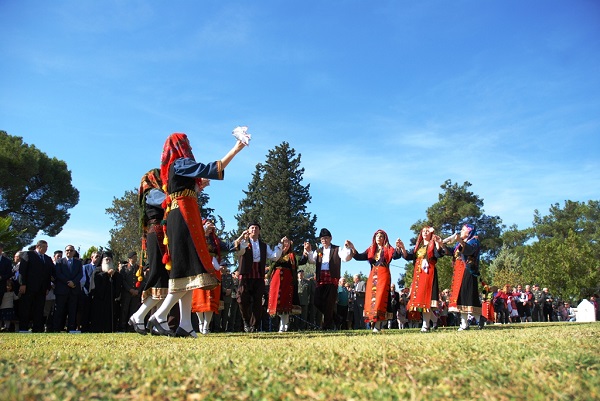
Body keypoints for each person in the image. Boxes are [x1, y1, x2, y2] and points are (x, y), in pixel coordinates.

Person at [147, 133, 245, 338]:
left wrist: (197, 186)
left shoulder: (173, 170)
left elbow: (184, 190)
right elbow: (210, 169)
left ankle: (186, 325)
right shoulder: (180, 163)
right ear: (180, 146)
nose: (190, 147)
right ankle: (160, 315)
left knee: (190, 272)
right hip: (183, 218)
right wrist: (236, 149)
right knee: (186, 270)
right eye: (187, 143)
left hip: (181, 216)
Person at [128, 169, 168, 335]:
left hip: (160, 234)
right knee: (160, 277)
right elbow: (170, 202)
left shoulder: (155, 192)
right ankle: (140, 316)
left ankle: (159, 319)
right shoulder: (153, 193)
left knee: (165, 278)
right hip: (157, 234)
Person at [347, 229, 403, 333]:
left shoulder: (388, 248)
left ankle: (378, 324)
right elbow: (359, 257)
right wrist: (352, 247)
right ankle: (374, 324)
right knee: (371, 299)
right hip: (373, 275)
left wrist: (398, 247)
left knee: (380, 298)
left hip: (383, 274)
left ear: (384, 238)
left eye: (381, 236)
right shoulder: (371, 249)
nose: (379, 238)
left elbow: (396, 255)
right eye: (377, 236)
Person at [233, 223, 283, 333]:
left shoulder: (264, 245)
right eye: (252, 228)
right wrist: (243, 239)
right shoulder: (244, 243)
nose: (254, 229)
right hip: (246, 274)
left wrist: (280, 246)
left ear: (259, 231)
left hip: (258, 275)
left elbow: (274, 256)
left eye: (256, 228)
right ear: (248, 230)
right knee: (241, 299)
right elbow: (239, 251)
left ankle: (254, 326)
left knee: (257, 302)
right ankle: (246, 321)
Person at [300, 228, 352, 330]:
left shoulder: (337, 249)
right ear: (321, 240)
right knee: (317, 301)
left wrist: (347, 248)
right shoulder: (318, 251)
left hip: (332, 278)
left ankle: (326, 326)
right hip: (321, 279)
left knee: (329, 303)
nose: (324, 240)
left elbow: (345, 258)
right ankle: (337, 319)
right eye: (322, 239)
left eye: (326, 238)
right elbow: (311, 261)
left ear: (331, 238)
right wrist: (309, 250)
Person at [398, 226, 444, 332]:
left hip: (429, 273)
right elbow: (409, 256)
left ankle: (425, 325)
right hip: (418, 274)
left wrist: (437, 243)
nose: (425, 232)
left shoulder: (432, 244)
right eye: (423, 231)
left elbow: (438, 254)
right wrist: (403, 247)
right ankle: (435, 320)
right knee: (420, 300)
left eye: (427, 231)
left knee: (426, 299)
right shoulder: (419, 246)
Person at [192, 219, 231, 335]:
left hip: (213, 268)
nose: (210, 226)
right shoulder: (198, 236)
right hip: (200, 267)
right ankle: (200, 322)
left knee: (211, 296)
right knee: (199, 295)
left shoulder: (215, 240)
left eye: (211, 225)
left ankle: (206, 326)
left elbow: (227, 246)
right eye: (207, 224)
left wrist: (239, 241)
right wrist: (203, 232)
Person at [442, 224, 483, 331]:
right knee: (460, 296)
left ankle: (478, 319)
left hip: (468, 271)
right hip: (459, 272)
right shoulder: (459, 244)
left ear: (469, 232)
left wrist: (460, 240)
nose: (461, 231)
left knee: (467, 295)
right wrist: (441, 244)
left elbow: (469, 250)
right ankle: (464, 323)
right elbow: (452, 252)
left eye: (463, 230)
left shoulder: (474, 241)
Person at [18, 240, 54, 332]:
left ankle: (37, 329)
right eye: (44, 247)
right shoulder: (28, 254)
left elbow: (49, 274)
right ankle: (23, 328)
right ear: (38, 246)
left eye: (47, 247)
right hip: (29, 287)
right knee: (26, 308)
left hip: (42, 289)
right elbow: (22, 270)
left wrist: (47, 287)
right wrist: (22, 284)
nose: (46, 249)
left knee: (39, 309)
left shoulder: (47, 258)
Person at [266, 236, 298, 333]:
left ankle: (284, 327)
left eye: (287, 242)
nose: (286, 244)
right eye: (284, 242)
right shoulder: (276, 254)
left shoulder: (292, 255)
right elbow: (272, 264)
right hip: (276, 280)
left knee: (285, 302)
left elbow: (297, 265)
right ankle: (274, 326)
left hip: (287, 281)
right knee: (275, 301)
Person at [89, 251, 122, 332]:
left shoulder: (115, 273)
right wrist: (106, 274)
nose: (108, 261)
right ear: (102, 261)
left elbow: (118, 287)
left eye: (109, 260)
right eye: (106, 259)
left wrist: (114, 276)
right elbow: (95, 284)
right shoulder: (97, 271)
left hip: (109, 301)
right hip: (98, 300)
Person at [53, 245, 83, 332]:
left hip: (73, 290)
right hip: (62, 290)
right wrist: (68, 282)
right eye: (67, 250)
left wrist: (74, 282)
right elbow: (58, 274)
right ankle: (56, 329)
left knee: (72, 311)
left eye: (71, 250)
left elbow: (80, 274)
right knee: (59, 310)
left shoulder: (78, 263)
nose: (69, 252)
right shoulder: (59, 262)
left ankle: (71, 329)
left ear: (74, 252)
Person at [119, 251, 141, 332]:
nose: (135, 259)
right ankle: (122, 327)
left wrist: (137, 290)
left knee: (133, 310)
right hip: (127, 293)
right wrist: (130, 289)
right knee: (124, 310)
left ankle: (131, 328)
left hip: (135, 294)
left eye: (136, 257)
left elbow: (142, 281)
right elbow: (123, 281)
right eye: (133, 257)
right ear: (129, 259)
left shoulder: (139, 268)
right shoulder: (124, 269)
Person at [79, 252, 100, 332]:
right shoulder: (85, 267)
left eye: (99, 257)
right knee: (85, 312)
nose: (98, 258)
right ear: (92, 257)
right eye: (96, 256)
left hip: (97, 295)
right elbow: (83, 281)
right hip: (87, 293)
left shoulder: (101, 268)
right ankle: (84, 328)